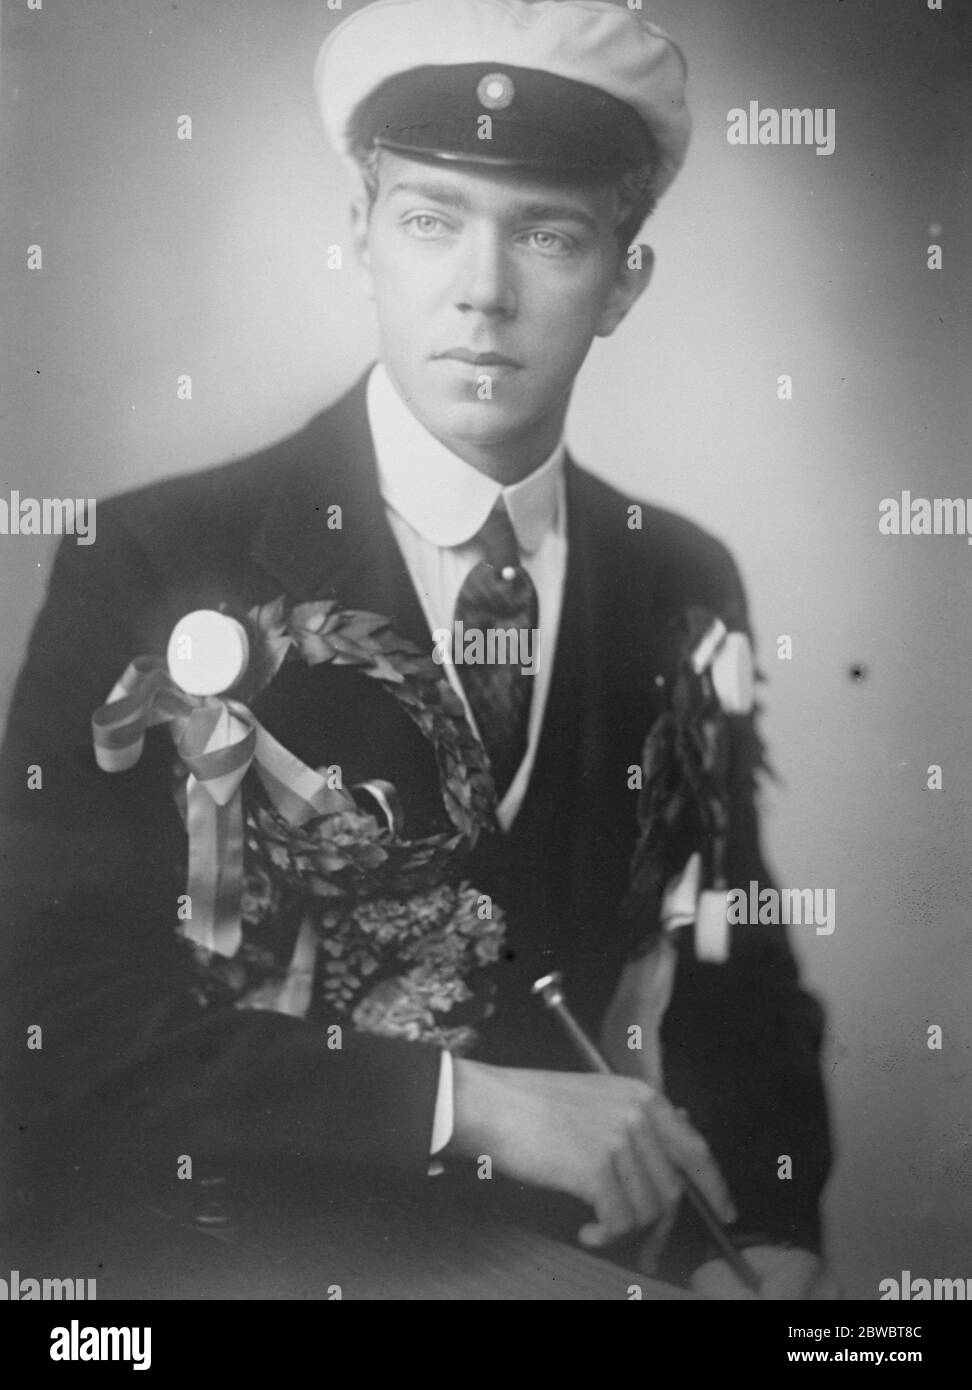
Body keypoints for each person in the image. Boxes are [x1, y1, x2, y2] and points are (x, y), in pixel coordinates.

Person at [0, 0, 832, 1299]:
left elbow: (735, 951)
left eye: (549, 233)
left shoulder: (680, 578)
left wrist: (776, 1218)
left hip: (567, 1267)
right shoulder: (155, 559)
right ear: (361, 235)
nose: (482, 293)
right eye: (432, 217)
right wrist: (462, 1101)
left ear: (624, 281)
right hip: (208, 1264)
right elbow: (44, 1008)